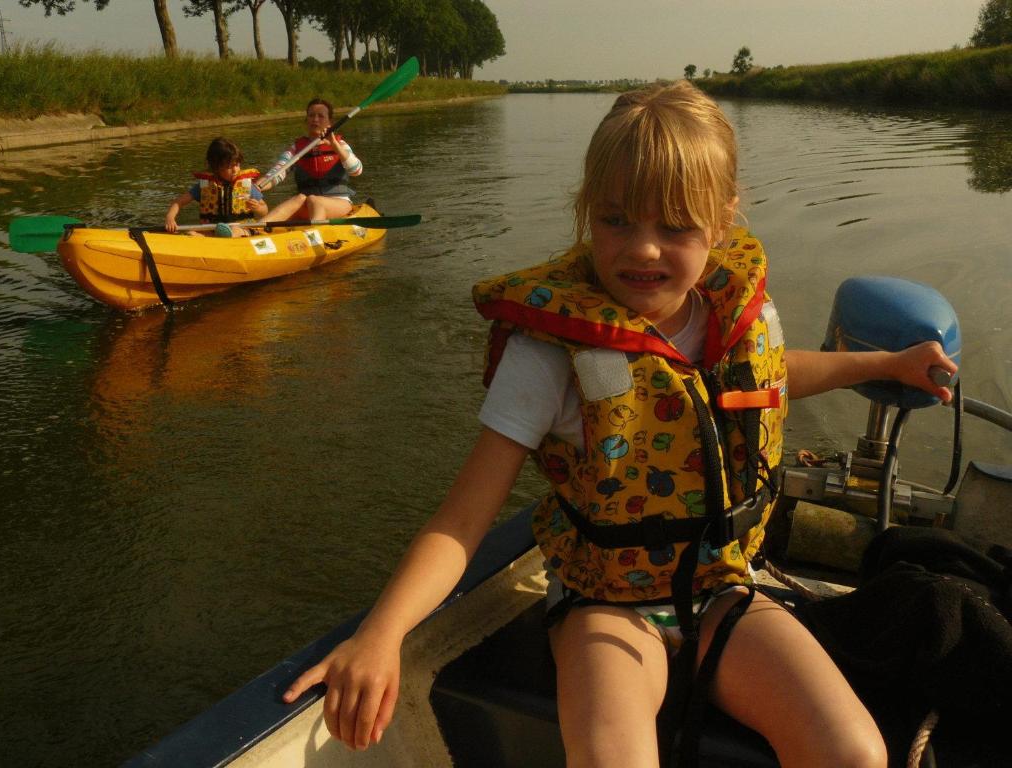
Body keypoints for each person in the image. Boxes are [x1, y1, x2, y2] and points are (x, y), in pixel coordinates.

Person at [281, 82, 957, 767]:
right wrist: (382, 633)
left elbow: (771, 377)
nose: (643, 251)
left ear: (722, 224)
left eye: (674, 228)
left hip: (721, 585)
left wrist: (888, 362)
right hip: (603, 603)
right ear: (585, 213)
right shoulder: (548, 354)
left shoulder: (730, 319)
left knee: (855, 752)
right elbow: (462, 521)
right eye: (615, 221)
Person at [258, 98, 363, 223]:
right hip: (307, 203)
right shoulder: (296, 149)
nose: (315, 119)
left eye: (321, 116)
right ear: (306, 120)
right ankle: (256, 229)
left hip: (339, 203)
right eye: (311, 115)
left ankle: (314, 232)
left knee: (314, 200)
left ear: (330, 122)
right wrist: (258, 187)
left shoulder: (341, 145)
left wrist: (335, 146)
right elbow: (277, 173)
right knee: (299, 198)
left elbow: (356, 170)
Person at [164, 137, 268, 237]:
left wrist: (258, 208)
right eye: (229, 166)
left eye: (237, 164)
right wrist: (170, 218)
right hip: (212, 229)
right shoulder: (205, 185)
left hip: (242, 228)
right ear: (216, 167)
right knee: (192, 233)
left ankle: (227, 235)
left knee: (235, 231)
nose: (235, 170)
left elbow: (265, 210)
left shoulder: (246, 185)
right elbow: (178, 202)